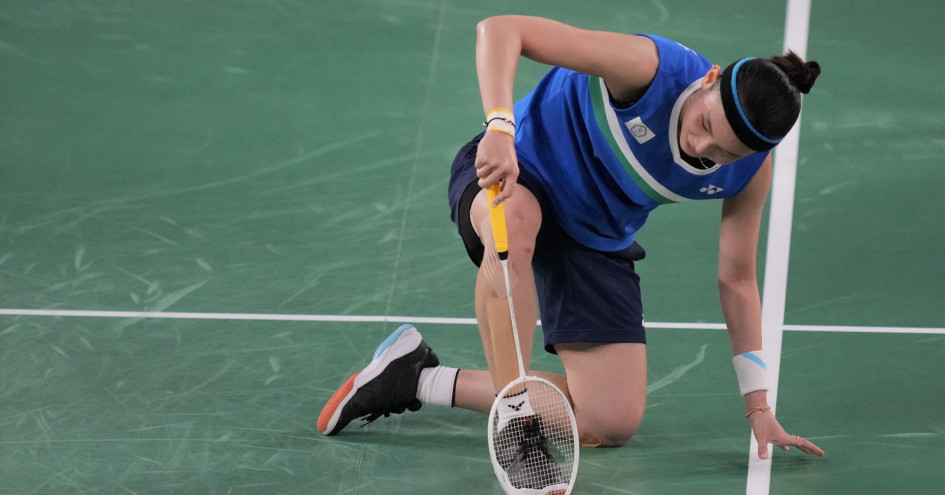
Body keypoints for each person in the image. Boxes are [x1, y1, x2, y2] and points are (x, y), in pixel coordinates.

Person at [318, 14, 825, 492]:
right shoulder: (650, 70)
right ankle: (517, 427)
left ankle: (416, 378)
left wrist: (758, 405)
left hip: (594, 237)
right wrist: (499, 126)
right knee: (511, 231)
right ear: (710, 78)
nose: (700, 146)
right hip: (518, 173)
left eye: (723, 153)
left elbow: (737, 278)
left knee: (610, 422)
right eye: (706, 124)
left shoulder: (749, 172)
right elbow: (501, 30)